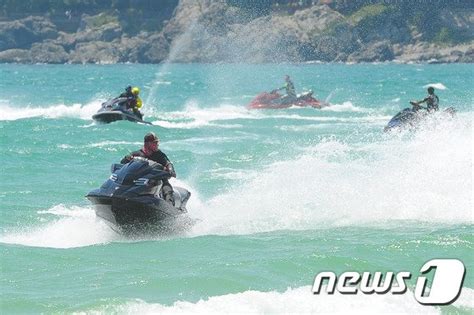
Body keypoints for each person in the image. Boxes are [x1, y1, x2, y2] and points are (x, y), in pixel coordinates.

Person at [121, 132, 176, 205]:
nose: (157, 144)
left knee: (165, 184)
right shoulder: (136, 154)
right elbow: (123, 163)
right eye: (155, 143)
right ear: (148, 144)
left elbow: (168, 163)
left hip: (156, 180)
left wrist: (171, 170)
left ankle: (170, 205)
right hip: (139, 181)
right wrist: (126, 158)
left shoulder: (159, 154)